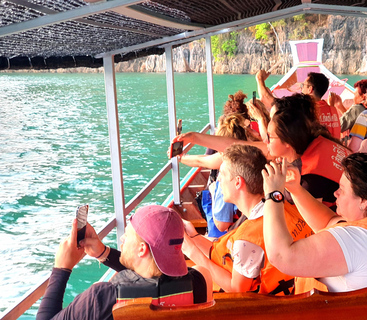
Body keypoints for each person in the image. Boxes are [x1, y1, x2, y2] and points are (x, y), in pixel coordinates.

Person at [261, 153, 367, 293]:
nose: (336, 193)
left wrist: (273, 194)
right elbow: (328, 222)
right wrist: (295, 188)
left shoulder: (360, 241)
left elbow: (282, 256)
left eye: (342, 189)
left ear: (365, 201)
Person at [173, 94, 350, 208]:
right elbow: (236, 145)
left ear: (287, 142)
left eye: (270, 137)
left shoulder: (307, 181)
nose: (264, 139)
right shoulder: (313, 143)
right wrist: (194, 138)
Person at [37, 205, 211, 320]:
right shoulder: (199, 282)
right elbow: (152, 276)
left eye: (127, 236)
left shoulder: (103, 298)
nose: (122, 238)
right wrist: (104, 253)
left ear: (142, 249)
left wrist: (61, 268)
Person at [182, 145, 313, 295]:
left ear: (238, 182)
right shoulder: (283, 205)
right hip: (300, 291)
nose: (219, 180)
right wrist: (193, 237)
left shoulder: (248, 239)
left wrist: (191, 252)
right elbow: (224, 255)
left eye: (222, 175)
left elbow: (237, 292)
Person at [301, 72, 341, 139]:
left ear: (310, 89)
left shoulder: (308, 111)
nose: (301, 89)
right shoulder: (333, 110)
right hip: (333, 148)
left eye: (303, 85)